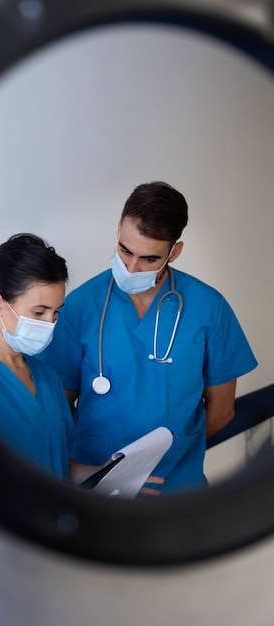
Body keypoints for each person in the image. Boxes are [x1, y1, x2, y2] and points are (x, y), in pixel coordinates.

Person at [39, 181, 258, 494]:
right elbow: (58, 407)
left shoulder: (209, 307)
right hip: (94, 484)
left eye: (149, 259)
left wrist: (174, 453)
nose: (131, 267)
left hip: (177, 487)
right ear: (118, 230)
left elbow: (221, 412)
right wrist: (98, 474)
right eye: (125, 250)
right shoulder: (80, 306)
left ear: (174, 252)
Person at [0, 233, 164, 493]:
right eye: (39, 312)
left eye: (56, 312)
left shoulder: (47, 376)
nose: (50, 323)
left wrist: (106, 475)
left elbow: (59, 468)